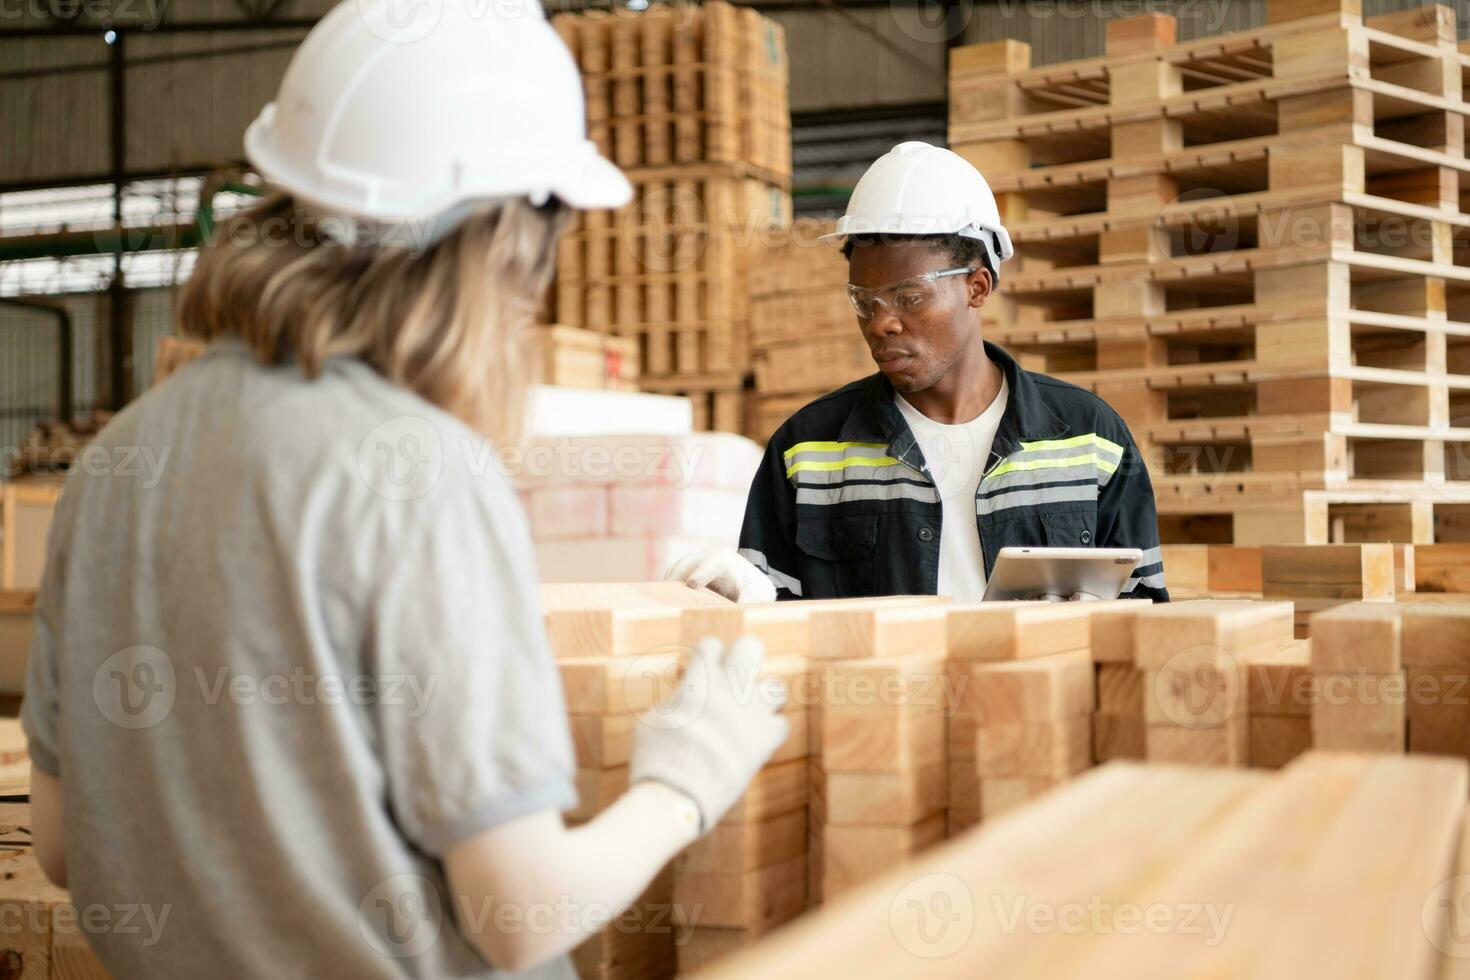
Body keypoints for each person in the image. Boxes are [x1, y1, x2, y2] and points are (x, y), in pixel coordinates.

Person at [21, 3, 786, 977]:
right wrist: (681, 785)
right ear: (502, 234)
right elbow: (520, 912)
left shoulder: (114, 466)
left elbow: (62, 841)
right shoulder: (420, 470)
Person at [668, 142, 1167, 604]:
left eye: (910, 297)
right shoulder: (807, 450)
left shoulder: (1091, 438)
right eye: (865, 301)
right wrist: (746, 600)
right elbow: (772, 637)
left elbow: (1145, 616)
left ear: (976, 287)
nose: (881, 322)